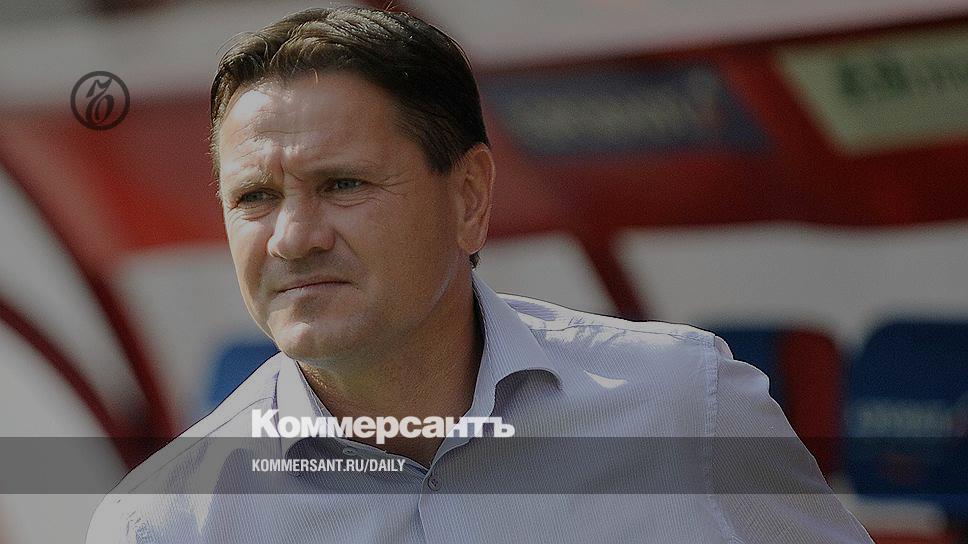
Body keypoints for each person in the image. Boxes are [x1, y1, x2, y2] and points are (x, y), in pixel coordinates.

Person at [88, 6, 873, 543]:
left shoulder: (687, 405)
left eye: (343, 184)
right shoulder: (167, 522)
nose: (293, 238)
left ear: (468, 198)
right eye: (255, 197)